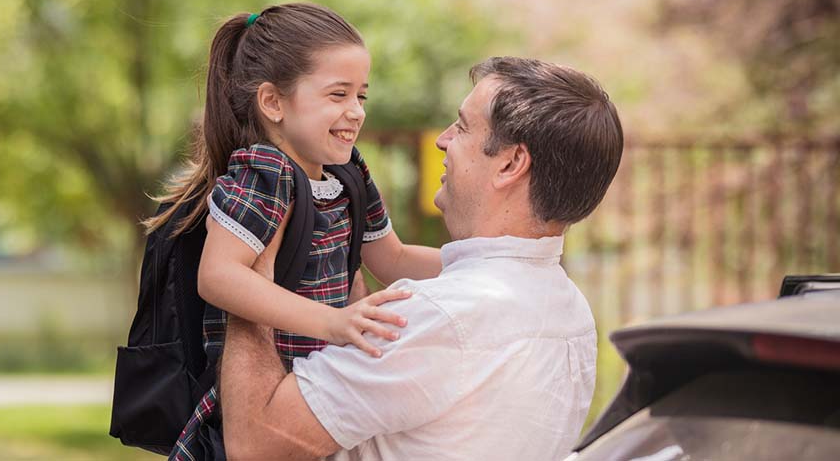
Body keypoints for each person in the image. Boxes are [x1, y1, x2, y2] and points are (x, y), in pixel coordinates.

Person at [219, 57, 624, 460]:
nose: (442, 140)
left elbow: (255, 445)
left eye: (463, 126)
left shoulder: (441, 316)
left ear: (510, 163)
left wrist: (253, 274)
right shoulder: (572, 313)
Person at [145, 3, 444, 460]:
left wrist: (485, 260)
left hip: (314, 401)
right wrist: (333, 321)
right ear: (273, 102)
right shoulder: (264, 173)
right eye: (338, 94)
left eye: (361, 96)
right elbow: (220, 275)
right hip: (254, 409)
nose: (356, 112)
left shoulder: (348, 174)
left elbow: (394, 259)